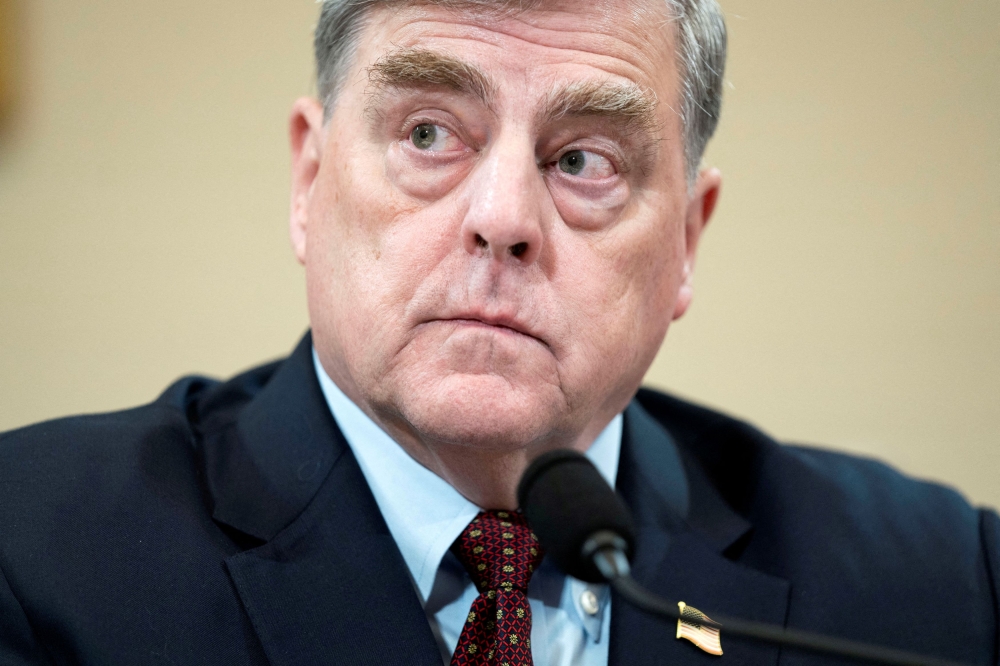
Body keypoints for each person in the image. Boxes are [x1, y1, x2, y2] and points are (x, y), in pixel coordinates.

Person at [0, 0, 996, 664]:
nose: (503, 216)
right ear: (309, 182)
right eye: (428, 133)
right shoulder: (35, 557)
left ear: (688, 238)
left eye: (584, 159)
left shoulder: (942, 591)